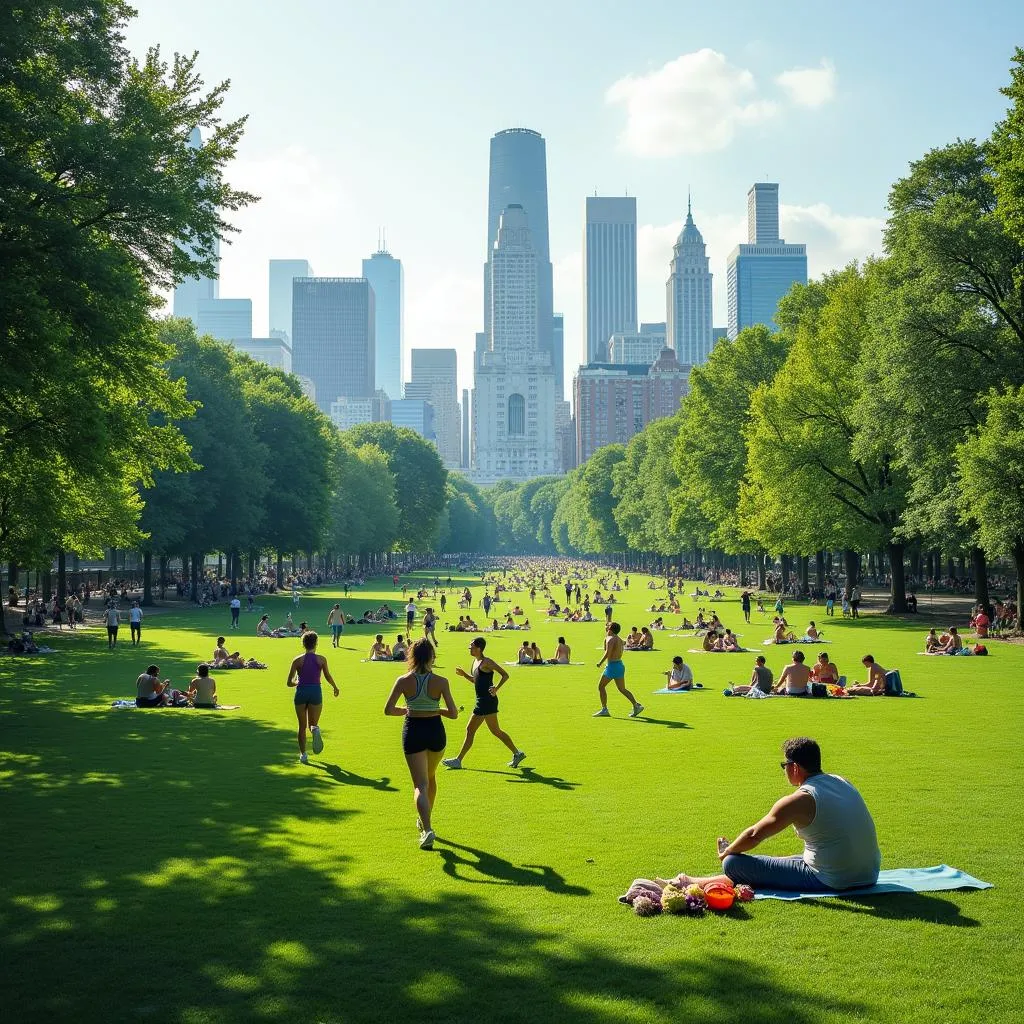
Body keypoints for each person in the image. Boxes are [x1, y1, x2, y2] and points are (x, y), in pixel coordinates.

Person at [660, 737, 881, 894]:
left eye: (784, 765)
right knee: (782, 861)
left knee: (734, 863)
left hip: (834, 878)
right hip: (868, 873)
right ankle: (691, 882)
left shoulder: (800, 799)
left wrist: (727, 852)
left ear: (794, 768)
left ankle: (691, 880)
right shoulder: (841, 781)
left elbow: (755, 835)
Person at [384, 638, 459, 850]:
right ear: (432, 657)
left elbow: (388, 709)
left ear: (412, 656)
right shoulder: (441, 681)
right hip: (436, 731)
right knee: (430, 778)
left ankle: (426, 829)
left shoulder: (403, 680)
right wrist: (435, 710)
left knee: (420, 785)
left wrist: (408, 710)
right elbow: (453, 714)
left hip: (414, 730)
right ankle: (426, 820)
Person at [443, 637, 526, 770]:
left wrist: (496, 688)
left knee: (471, 729)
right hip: (482, 700)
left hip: (487, 701)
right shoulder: (475, 662)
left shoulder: (487, 662)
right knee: (495, 731)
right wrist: (464, 674)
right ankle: (517, 753)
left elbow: (505, 675)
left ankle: (458, 760)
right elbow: (476, 680)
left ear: (479, 648)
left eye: (471, 646)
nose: (469, 648)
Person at [286, 631, 339, 764]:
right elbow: (327, 675)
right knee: (312, 724)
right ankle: (315, 729)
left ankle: (303, 754)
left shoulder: (297, 660)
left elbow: (289, 682)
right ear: (316, 643)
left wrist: (298, 682)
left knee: (302, 726)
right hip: (315, 691)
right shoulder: (321, 659)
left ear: (303, 644)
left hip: (301, 692)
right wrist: (335, 687)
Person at [594, 623, 644, 718]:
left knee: (601, 687)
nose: (606, 627)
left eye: (608, 626)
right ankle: (636, 705)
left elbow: (607, 652)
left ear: (610, 629)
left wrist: (600, 662)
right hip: (619, 665)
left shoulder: (610, 639)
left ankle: (604, 709)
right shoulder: (618, 638)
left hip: (612, 666)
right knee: (622, 689)